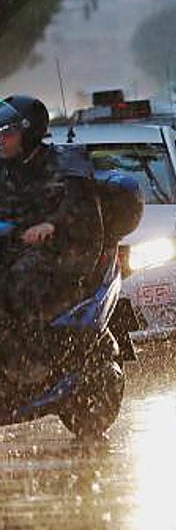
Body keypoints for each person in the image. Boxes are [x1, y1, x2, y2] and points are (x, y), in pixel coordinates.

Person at [0, 96, 101, 358]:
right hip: (9, 246)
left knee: (19, 280)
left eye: (7, 133)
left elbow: (77, 203)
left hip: (59, 252)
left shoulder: (64, 163)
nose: (1, 140)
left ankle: (31, 356)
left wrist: (51, 224)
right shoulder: (4, 169)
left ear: (29, 133)